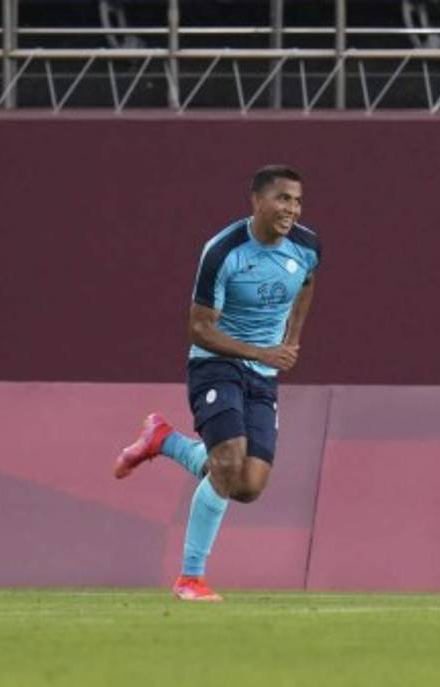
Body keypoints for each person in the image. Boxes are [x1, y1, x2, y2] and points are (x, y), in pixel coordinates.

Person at [113, 165, 320, 602]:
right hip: (216, 364)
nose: (292, 209)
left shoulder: (307, 246)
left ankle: (165, 441)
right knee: (227, 462)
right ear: (257, 201)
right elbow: (200, 329)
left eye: (298, 201)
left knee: (248, 485)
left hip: (263, 375)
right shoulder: (223, 251)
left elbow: (307, 283)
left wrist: (291, 340)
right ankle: (191, 578)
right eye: (283, 199)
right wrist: (262, 351)